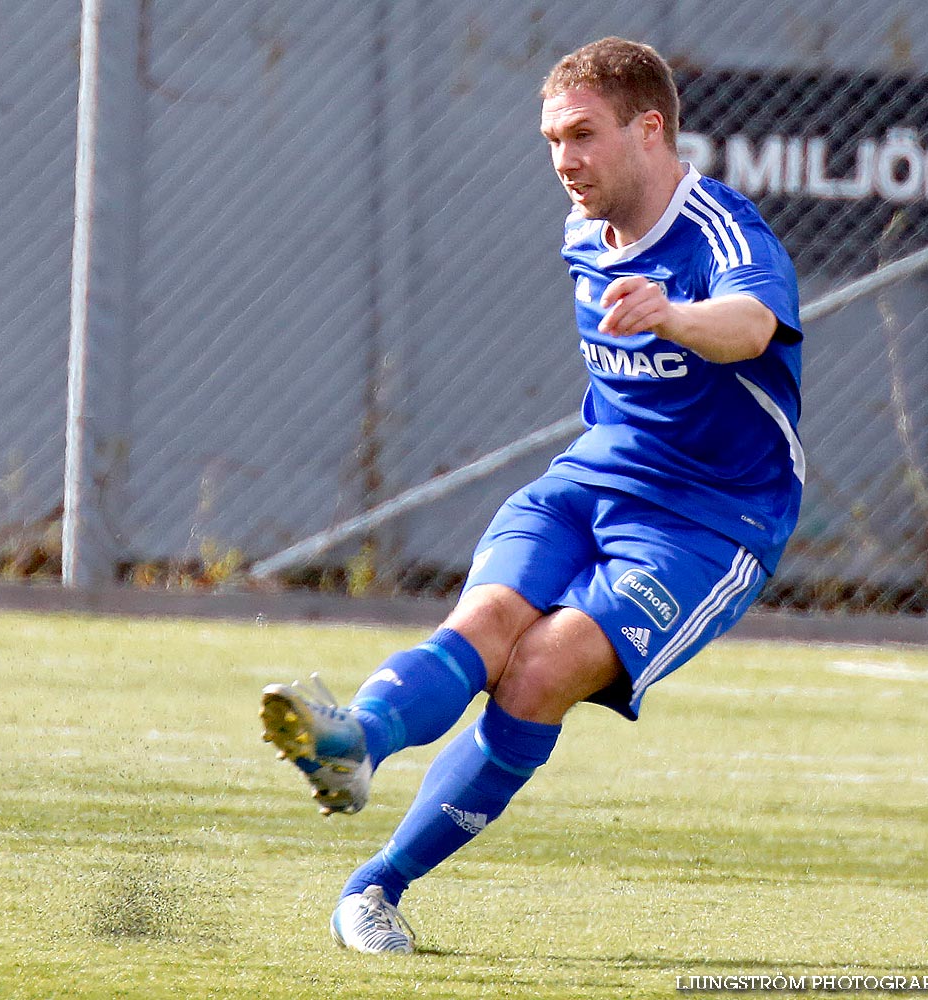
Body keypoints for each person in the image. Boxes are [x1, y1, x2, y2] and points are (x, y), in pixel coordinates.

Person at [259, 36, 803, 955]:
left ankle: (373, 889)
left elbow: (750, 325)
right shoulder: (580, 233)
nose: (564, 161)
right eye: (551, 140)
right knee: (487, 625)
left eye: (582, 136)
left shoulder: (721, 230)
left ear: (649, 128)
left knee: (541, 669)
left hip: (712, 523)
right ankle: (355, 742)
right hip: (587, 484)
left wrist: (673, 314)